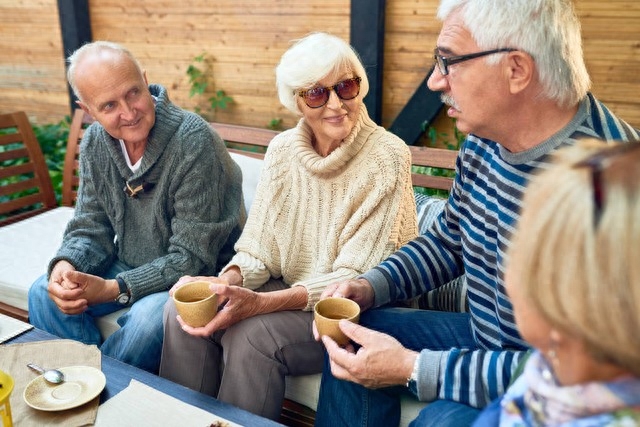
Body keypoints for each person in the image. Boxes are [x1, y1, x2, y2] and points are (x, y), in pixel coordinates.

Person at [313, 1, 640, 426]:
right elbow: (450, 239)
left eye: (449, 62)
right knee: (353, 334)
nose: (435, 81)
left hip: (550, 374)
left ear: (516, 70)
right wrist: (370, 285)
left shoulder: (607, 189)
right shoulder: (486, 137)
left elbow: (578, 373)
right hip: (486, 339)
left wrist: (414, 367)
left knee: (438, 421)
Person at [159, 32, 418, 420]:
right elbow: (259, 249)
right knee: (182, 314)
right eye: (316, 93)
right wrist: (226, 282)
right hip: (292, 291)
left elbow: (354, 277)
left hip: (351, 310)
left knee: (253, 337)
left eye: (346, 87)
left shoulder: (387, 157)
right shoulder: (282, 151)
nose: (336, 104)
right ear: (296, 100)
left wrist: (259, 304)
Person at [27, 41, 244, 373]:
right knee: (44, 292)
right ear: (87, 109)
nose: (128, 113)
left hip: (194, 280)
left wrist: (117, 288)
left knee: (147, 321)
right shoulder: (96, 143)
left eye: (133, 93)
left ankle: (96, 390)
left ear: (145, 80)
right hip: (130, 266)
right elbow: (90, 227)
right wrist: (66, 266)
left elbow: (192, 257)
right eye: (109, 105)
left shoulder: (194, 142)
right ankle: (81, 384)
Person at [473, 139, 640, 426]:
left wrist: (413, 367)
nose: (504, 268)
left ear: (567, 305)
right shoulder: (548, 370)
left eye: (518, 249)